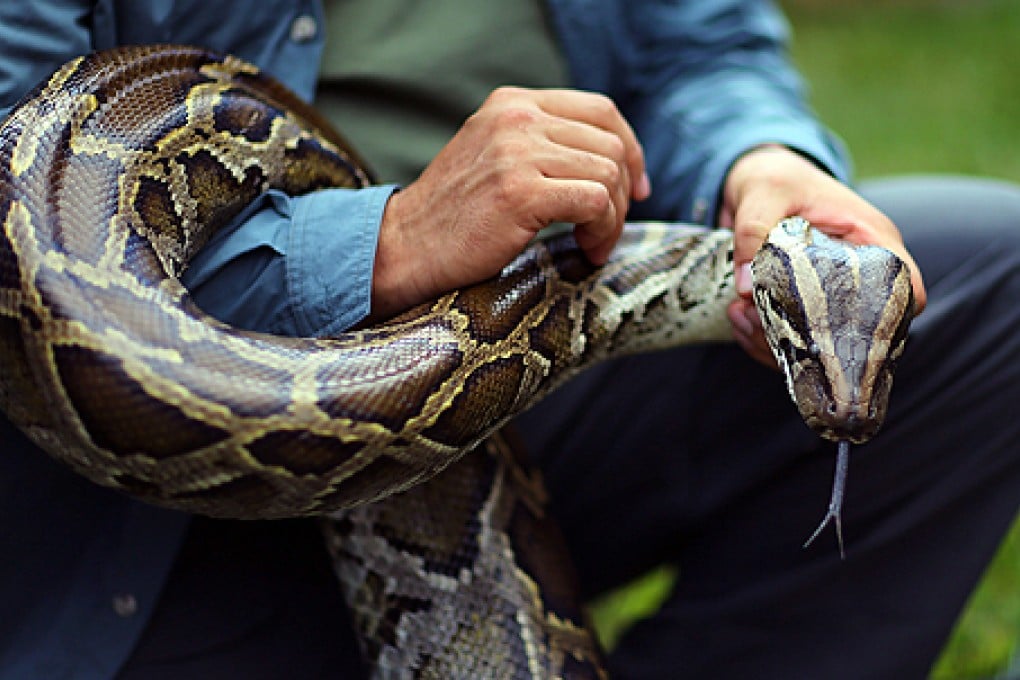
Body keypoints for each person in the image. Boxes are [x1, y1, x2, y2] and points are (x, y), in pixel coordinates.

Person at [1, 1, 1017, 678]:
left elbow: (701, 50)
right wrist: (391, 238)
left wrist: (759, 159)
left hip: (523, 337)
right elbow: (20, 200)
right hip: (136, 506)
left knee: (996, 273)